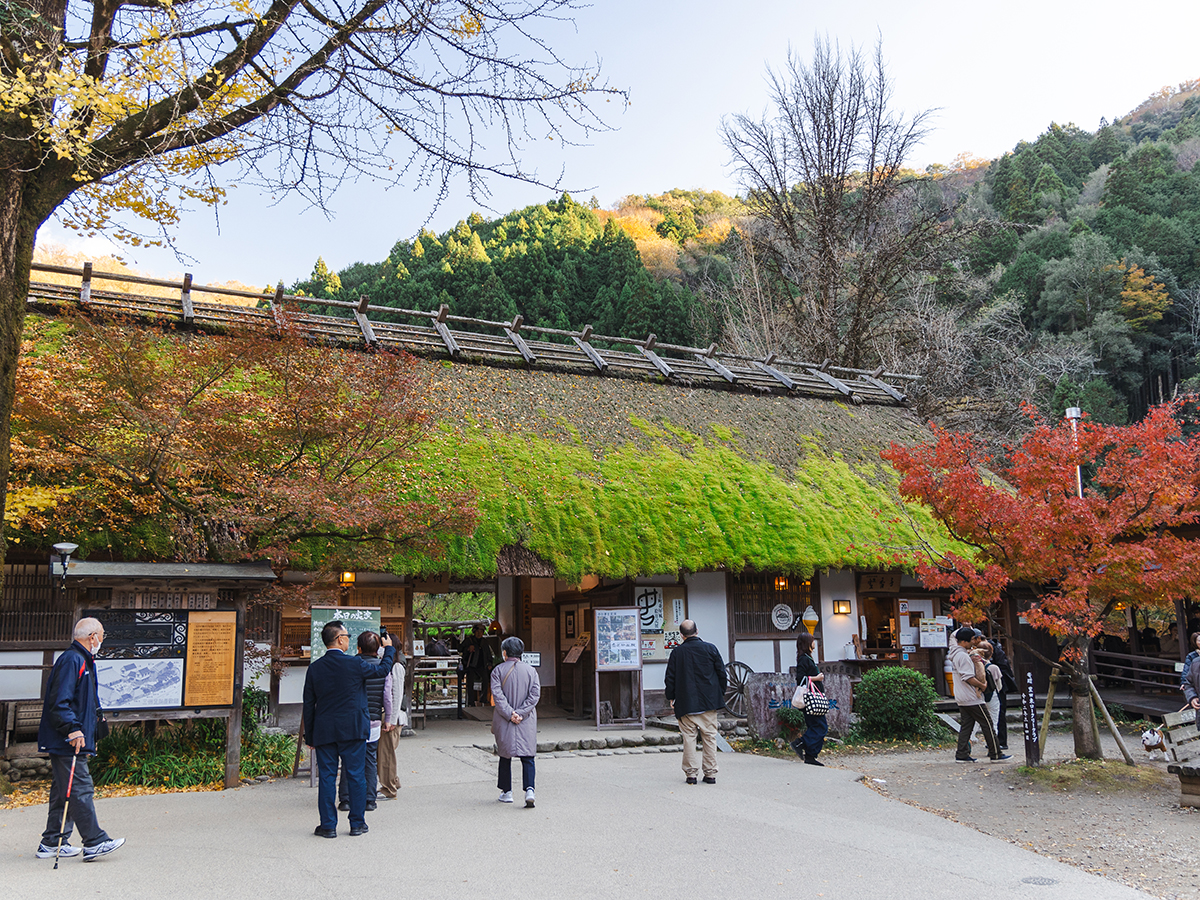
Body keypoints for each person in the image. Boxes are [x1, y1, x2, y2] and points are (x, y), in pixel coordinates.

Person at [36, 617, 125, 862]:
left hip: (70, 737)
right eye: (102, 636)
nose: (102, 641)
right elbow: (59, 702)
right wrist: (73, 729)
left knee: (62, 791)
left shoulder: (82, 659)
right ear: (93, 637)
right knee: (80, 787)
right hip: (68, 739)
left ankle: (53, 842)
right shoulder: (73, 660)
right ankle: (94, 841)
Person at [303, 621, 395, 838]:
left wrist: (310, 734)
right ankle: (357, 823)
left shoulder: (315, 668)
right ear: (339, 639)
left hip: (325, 730)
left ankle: (327, 826)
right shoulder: (354, 664)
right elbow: (382, 670)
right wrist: (388, 648)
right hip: (353, 728)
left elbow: (309, 703)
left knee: (327, 777)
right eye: (347, 635)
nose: (349, 640)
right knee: (355, 775)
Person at [664, 619, 727, 785]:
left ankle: (691, 774)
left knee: (689, 738)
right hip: (709, 702)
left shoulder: (677, 653)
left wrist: (671, 696)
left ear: (682, 635)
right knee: (710, 737)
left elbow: (670, 678)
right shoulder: (710, 648)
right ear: (697, 631)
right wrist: (719, 694)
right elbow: (722, 673)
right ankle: (710, 773)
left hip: (685, 702)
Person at [337, 631, 385, 812]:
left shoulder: (350, 666)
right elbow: (387, 696)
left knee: (349, 758)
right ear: (378, 648)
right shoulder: (382, 667)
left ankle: (346, 799)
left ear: (358, 647)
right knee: (370, 759)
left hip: (353, 720)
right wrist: (388, 717)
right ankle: (370, 799)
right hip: (373, 719)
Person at [491, 636, 540, 808]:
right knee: (528, 756)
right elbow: (534, 696)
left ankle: (507, 792)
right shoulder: (531, 671)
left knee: (505, 755)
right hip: (525, 720)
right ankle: (530, 790)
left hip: (505, 720)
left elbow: (497, 696)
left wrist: (510, 713)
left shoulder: (497, 671)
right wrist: (520, 713)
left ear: (504, 652)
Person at [947, 626, 1009, 763]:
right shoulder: (962, 656)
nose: (973, 642)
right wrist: (982, 685)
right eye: (971, 640)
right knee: (988, 724)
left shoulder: (955, 652)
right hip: (971, 697)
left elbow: (953, 636)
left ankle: (962, 754)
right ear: (964, 641)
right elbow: (968, 677)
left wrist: (966, 625)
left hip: (961, 696)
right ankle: (996, 753)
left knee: (966, 727)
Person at [377, 642, 407, 800]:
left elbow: (397, 696)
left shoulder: (397, 667)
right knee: (386, 753)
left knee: (386, 754)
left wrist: (391, 719)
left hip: (393, 718)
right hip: (391, 717)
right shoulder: (392, 665)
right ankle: (393, 782)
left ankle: (389, 789)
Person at [793, 632, 827, 766]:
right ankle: (801, 743)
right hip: (810, 699)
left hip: (813, 698)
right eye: (812, 641)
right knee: (820, 726)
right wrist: (816, 678)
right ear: (808, 643)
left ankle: (810, 756)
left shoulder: (807, 657)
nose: (815, 643)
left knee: (816, 725)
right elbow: (800, 679)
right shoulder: (804, 659)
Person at [986, 635, 1016, 750]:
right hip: (992, 686)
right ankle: (994, 739)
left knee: (999, 713)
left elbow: (1002, 671)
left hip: (998, 686)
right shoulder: (995, 649)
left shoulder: (995, 651)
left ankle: (1001, 741)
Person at [462, 624, 492, 706]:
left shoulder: (484, 642)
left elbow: (488, 653)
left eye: (481, 632)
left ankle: (483, 698)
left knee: (486, 680)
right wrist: (468, 648)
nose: (479, 633)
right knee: (470, 683)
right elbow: (460, 648)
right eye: (477, 632)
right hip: (471, 665)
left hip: (482, 665)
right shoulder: (469, 640)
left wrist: (489, 663)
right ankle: (471, 702)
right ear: (474, 632)